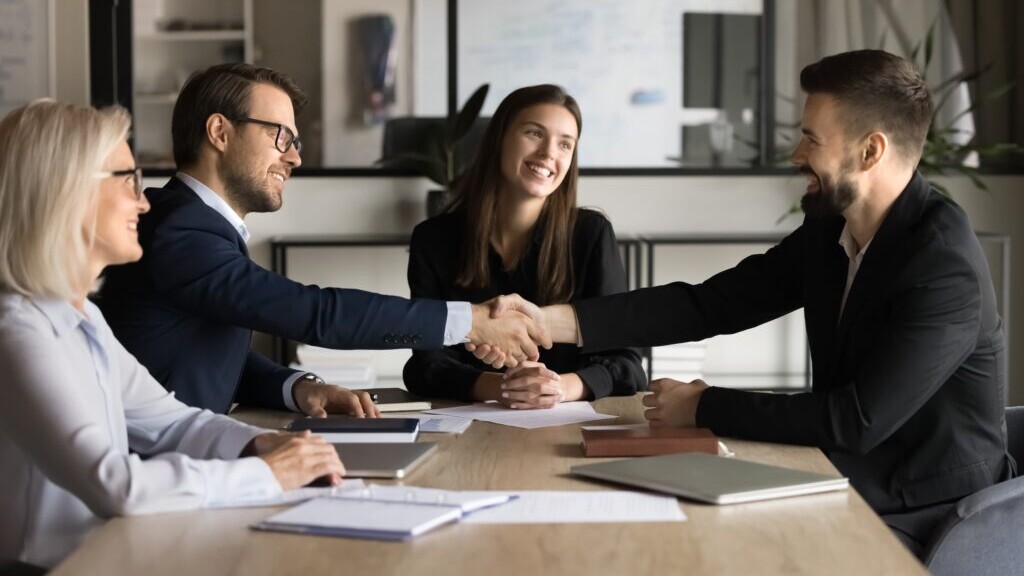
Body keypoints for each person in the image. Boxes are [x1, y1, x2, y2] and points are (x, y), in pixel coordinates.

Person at [486, 50, 1012, 556]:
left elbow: (857, 420)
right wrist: (549, 321)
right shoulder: (831, 228)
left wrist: (703, 405)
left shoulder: (942, 264)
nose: (796, 155)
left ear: (870, 151)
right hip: (845, 474)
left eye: (811, 138)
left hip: (928, 510)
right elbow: (712, 304)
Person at [0, 100, 346, 569]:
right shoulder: (18, 332)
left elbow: (173, 421)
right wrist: (265, 474)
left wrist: (262, 444)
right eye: (127, 181)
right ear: (64, 192)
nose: (143, 202)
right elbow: (115, 484)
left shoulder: (81, 319)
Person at [94, 63, 548, 419]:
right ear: (219, 133)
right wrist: (470, 320)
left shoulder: (197, 226)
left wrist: (299, 388)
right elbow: (316, 312)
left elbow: (205, 352)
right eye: (281, 137)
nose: (294, 156)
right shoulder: (180, 231)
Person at [403, 85, 645, 408]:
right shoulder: (434, 240)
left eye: (564, 144)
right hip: (473, 426)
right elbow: (424, 364)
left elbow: (627, 363)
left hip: (569, 422)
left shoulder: (591, 234)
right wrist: (502, 387)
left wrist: (559, 388)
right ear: (499, 139)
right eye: (534, 133)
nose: (549, 154)